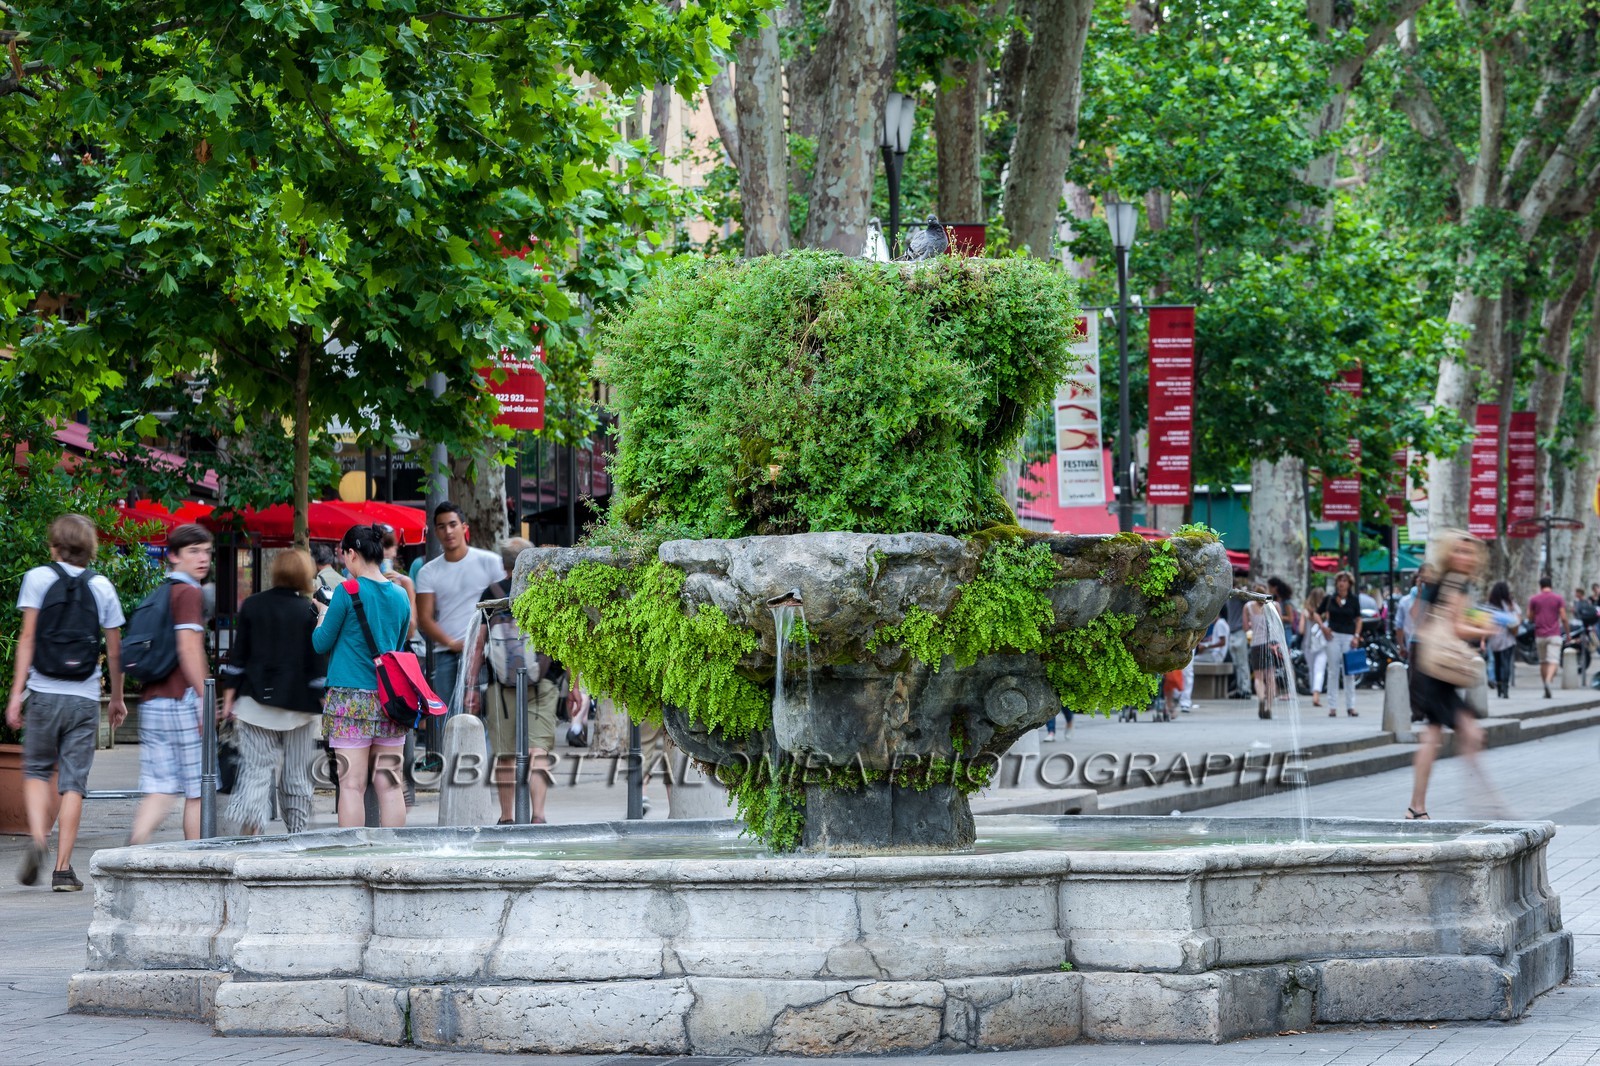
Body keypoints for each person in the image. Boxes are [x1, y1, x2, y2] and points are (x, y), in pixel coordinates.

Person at [8, 515, 128, 890]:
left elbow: (27, 639)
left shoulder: (37, 578)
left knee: (37, 771)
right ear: (90, 547)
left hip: (44, 691)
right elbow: (114, 650)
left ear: (55, 544)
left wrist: (16, 694)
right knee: (74, 783)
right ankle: (62, 870)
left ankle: (39, 840)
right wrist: (117, 698)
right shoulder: (102, 586)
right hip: (84, 695)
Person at [218, 549, 324, 835]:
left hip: (256, 705)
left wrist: (229, 698)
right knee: (296, 775)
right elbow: (316, 660)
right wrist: (323, 698)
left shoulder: (252, 605)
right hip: (300, 706)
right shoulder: (309, 609)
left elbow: (238, 657)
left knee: (255, 771)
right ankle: (297, 834)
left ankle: (252, 835)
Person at [314, 524, 413, 828]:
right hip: (390, 701)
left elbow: (321, 643)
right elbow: (395, 648)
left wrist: (321, 616)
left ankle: (352, 858)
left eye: (345, 556)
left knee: (352, 786)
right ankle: (393, 859)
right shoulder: (400, 595)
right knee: (391, 785)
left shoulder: (347, 590)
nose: (345, 563)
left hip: (349, 701)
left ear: (352, 554)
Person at [129, 524, 215, 845]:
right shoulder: (189, 592)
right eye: (193, 551)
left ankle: (135, 845)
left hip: (152, 700)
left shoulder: (160, 591)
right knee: (197, 789)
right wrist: (207, 701)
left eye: (206, 551)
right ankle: (195, 862)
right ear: (173, 556)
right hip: (183, 700)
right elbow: (189, 649)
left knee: (161, 786)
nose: (203, 558)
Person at [463, 538, 558, 824]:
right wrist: (575, 687)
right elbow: (566, 642)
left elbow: (478, 646)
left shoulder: (491, 594)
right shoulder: (545, 593)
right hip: (543, 682)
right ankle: (538, 816)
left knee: (505, 753)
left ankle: (506, 817)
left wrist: (471, 687)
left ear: (502, 564)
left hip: (499, 685)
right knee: (537, 750)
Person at [1407, 530, 1496, 820]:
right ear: (1449, 553)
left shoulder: (1438, 580)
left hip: (1427, 664)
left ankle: (1416, 808)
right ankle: (1486, 806)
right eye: (1459, 551)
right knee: (1469, 733)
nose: (1464, 557)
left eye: (1469, 552)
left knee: (1434, 737)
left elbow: (1416, 616)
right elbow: (1457, 627)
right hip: (1437, 671)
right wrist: (1486, 629)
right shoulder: (1459, 583)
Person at [415, 502, 506, 715]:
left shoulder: (490, 562)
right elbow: (424, 618)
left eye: (452, 524)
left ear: (464, 527)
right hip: (446, 653)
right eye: (441, 526)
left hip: (486, 653)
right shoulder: (428, 572)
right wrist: (452, 643)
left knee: (486, 717)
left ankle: (483, 751)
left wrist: (482, 642)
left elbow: (504, 608)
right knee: (450, 718)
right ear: (435, 531)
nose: (448, 531)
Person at [1324, 570, 1362, 718]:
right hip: (1333, 635)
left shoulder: (1354, 599)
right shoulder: (1330, 599)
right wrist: (1324, 627)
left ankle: (1351, 706)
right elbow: (1314, 612)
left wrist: (1356, 636)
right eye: (1340, 580)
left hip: (1349, 636)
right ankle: (1332, 706)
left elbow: (1359, 619)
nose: (1342, 583)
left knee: (1349, 672)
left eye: (1345, 580)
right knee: (1333, 671)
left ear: (1349, 584)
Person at [1527, 576, 1568, 699]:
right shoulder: (1558, 599)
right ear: (1551, 585)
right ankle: (1549, 681)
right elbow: (1564, 617)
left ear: (1540, 586)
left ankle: (1546, 687)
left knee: (1543, 661)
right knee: (1554, 660)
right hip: (1554, 633)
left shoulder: (1534, 599)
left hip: (1540, 634)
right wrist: (1568, 633)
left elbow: (1529, 617)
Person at [1243, 585, 1276, 719]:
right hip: (1270, 644)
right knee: (1270, 678)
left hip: (1256, 644)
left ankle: (1261, 698)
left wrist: (1252, 625)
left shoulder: (1248, 607)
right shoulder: (1273, 605)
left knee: (1258, 677)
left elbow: (1245, 628)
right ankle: (1268, 706)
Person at [1485, 581, 1520, 699]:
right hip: (1508, 638)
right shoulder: (1510, 604)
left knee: (1498, 663)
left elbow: (1485, 621)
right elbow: (1518, 617)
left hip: (1494, 638)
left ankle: (1499, 687)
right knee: (1506, 663)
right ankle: (1505, 688)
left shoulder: (1490, 605)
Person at [1302, 587, 1331, 710]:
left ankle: (1313, 691)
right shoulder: (1326, 613)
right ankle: (1316, 694)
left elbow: (1300, 630)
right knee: (1320, 670)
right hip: (1322, 643)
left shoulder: (1305, 612)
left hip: (1308, 644)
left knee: (1312, 669)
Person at [1225, 583, 1250, 698]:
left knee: (1242, 662)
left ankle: (1246, 689)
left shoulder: (1240, 597)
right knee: (1236, 663)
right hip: (1232, 632)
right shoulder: (1227, 597)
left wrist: (1243, 590)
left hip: (1239, 631)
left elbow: (1248, 598)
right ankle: (1240, 689)